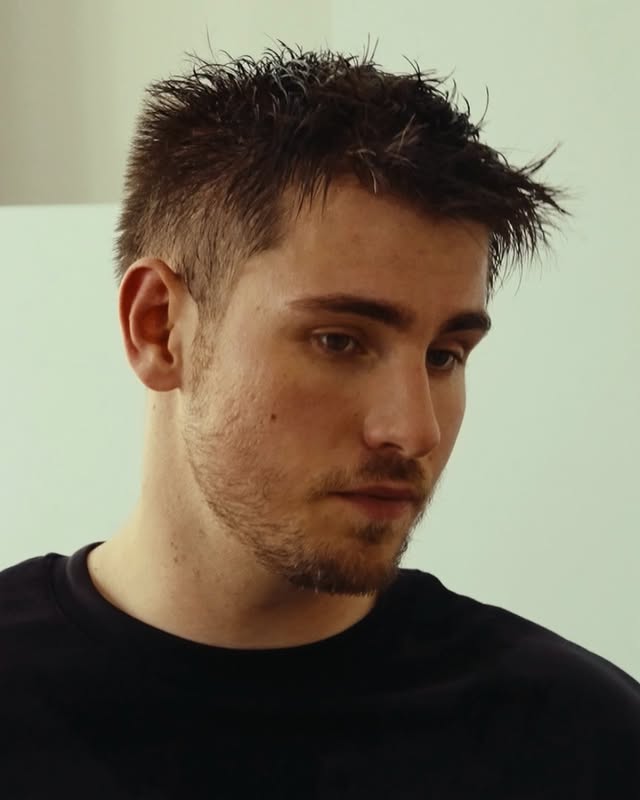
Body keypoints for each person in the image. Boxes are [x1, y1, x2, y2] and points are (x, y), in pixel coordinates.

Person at [1, 41, 638, 798]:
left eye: (445, 355)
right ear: (159, 328)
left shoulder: (581, 741)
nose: (415, 431)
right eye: (339, 341)